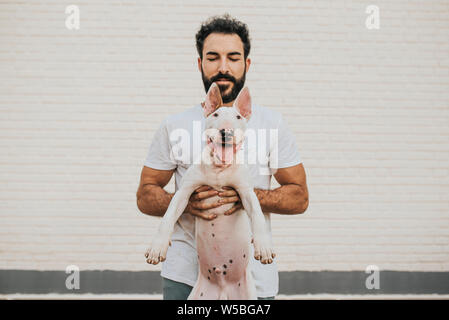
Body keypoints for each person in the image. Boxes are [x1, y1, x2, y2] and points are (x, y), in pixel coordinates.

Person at [136, 14, 309, 300]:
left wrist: (243, 195)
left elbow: (300, 196)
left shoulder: (273, 123)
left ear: (247, 63)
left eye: (233, 57)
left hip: (252, 278)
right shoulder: (174, 124)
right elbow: (145, 195)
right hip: (184, 276)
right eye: (213, 57)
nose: (223, 67)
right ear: (200, 63)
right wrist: (189, 202)